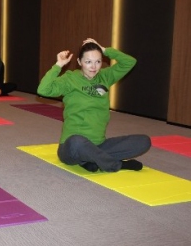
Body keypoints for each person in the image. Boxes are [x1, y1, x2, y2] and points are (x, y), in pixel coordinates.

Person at [37, 38, 151, 173]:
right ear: (79, 62)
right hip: (72, 147)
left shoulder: (105, 77)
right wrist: (58, 65)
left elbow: (130, 62)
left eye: (98, 61)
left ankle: (90, 160)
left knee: (144, 141)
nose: (93, 66)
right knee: (77, 142)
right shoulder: (70, 79)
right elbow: (42, 90)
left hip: (99, 145)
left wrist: (104, 50)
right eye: (88, 62)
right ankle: (117, 165)